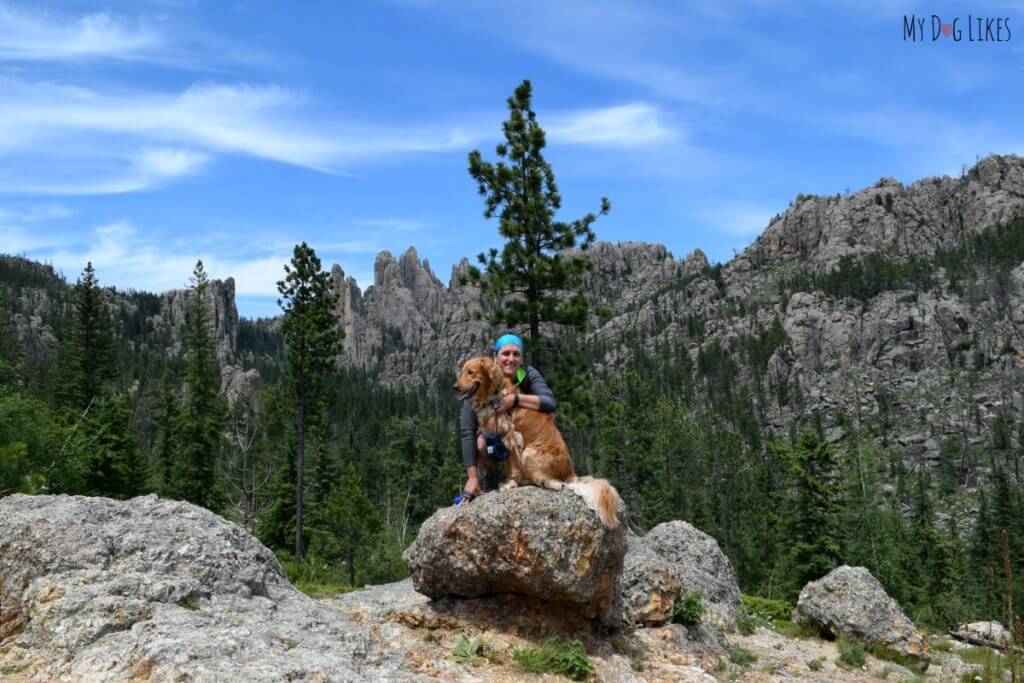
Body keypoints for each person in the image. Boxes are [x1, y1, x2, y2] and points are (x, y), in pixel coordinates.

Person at [458, 333, 557, 500]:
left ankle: (531, 472)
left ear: (521, 358)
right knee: (481, 442)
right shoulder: (480, 381)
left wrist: (515, 399)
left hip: (527, 436)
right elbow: (467, 431)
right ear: (495, 357)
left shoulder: (528, 374)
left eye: (516, 354)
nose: (511, 359)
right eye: (505, 353)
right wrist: (472, 477)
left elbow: (549, 403)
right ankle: (491, 476)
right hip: (497, 437)